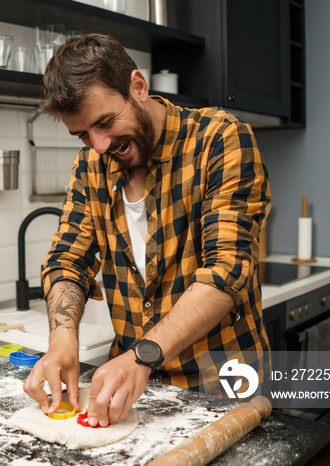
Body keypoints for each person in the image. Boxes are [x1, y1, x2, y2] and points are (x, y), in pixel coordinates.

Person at [22, 33, 271, 428]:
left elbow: (227, 272)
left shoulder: (220, 139)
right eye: (84, 134)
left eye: (105, 122)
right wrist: (62, 341)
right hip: (128, 393)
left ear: (138, 87)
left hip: (222, 385)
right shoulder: (90, 166)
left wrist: (141, 356)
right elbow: (67, 261)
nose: (99, 145)